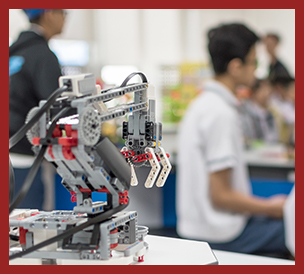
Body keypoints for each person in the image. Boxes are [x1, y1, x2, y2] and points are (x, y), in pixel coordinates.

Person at [176, 23, 290, 258]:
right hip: (222, 235)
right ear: (236, 67)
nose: (256, 71)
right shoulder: (221, 113)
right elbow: (221, 197)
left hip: (197, 229)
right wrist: (274, 208)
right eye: (254, 63)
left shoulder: (201, 105)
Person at [9, 9, 66, 210]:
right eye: (64, 12)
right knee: (30, 230)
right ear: (49, 13)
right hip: (26, 159)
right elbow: (58, 108)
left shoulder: (13, 53)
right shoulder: (43, 56)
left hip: (9, 154)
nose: (65, 18)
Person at [240, 78, 278, 144]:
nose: (266, 94)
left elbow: (274, 137)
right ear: (254, 92)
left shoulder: (270, 113)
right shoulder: (245, 111)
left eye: (269, 91)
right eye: (263, 90)